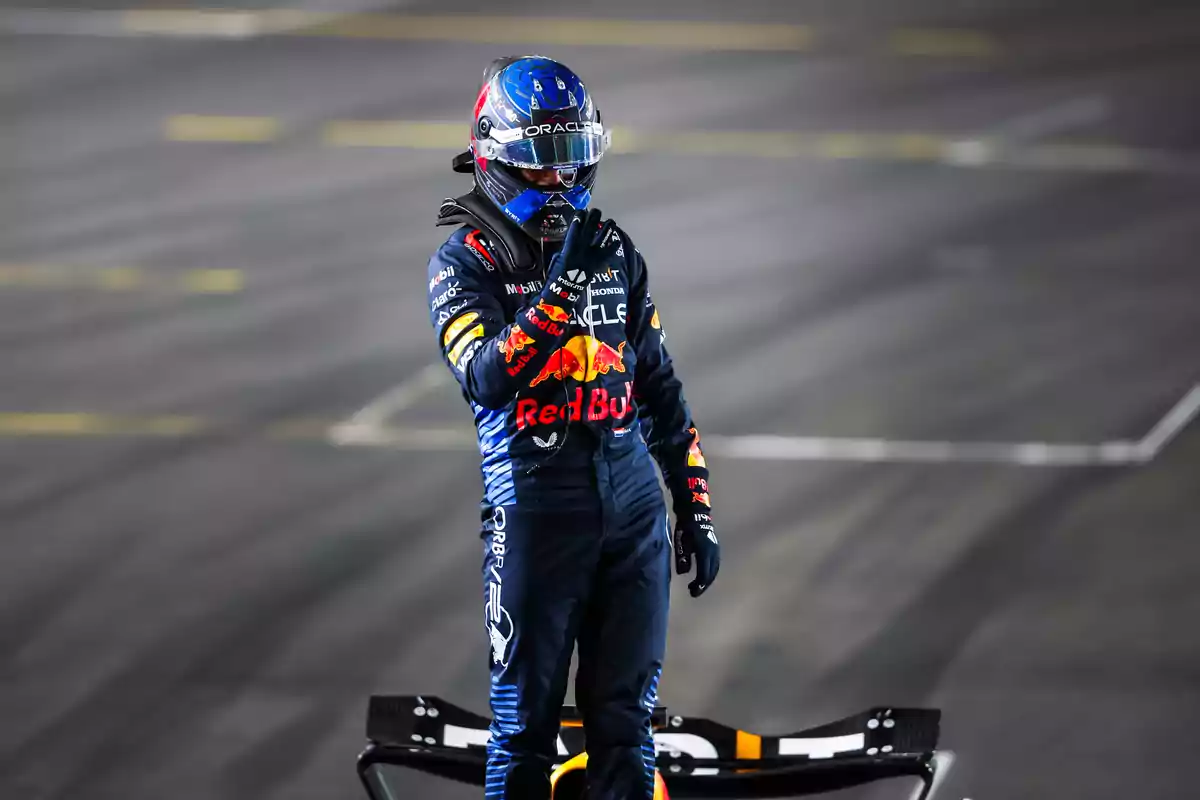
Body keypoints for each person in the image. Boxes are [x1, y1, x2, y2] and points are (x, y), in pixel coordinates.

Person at [425, 55, 720, 800]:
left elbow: (658, 387)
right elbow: (487, 376)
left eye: (571, 163)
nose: (559, 182)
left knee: (627, 728)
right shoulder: (461, 262)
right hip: (535, 513)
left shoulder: (616, 252)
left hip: (633, 514)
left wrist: (695, 505)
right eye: (540, 166)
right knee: (522, 732)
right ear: (495, 157)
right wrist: (562, 291)